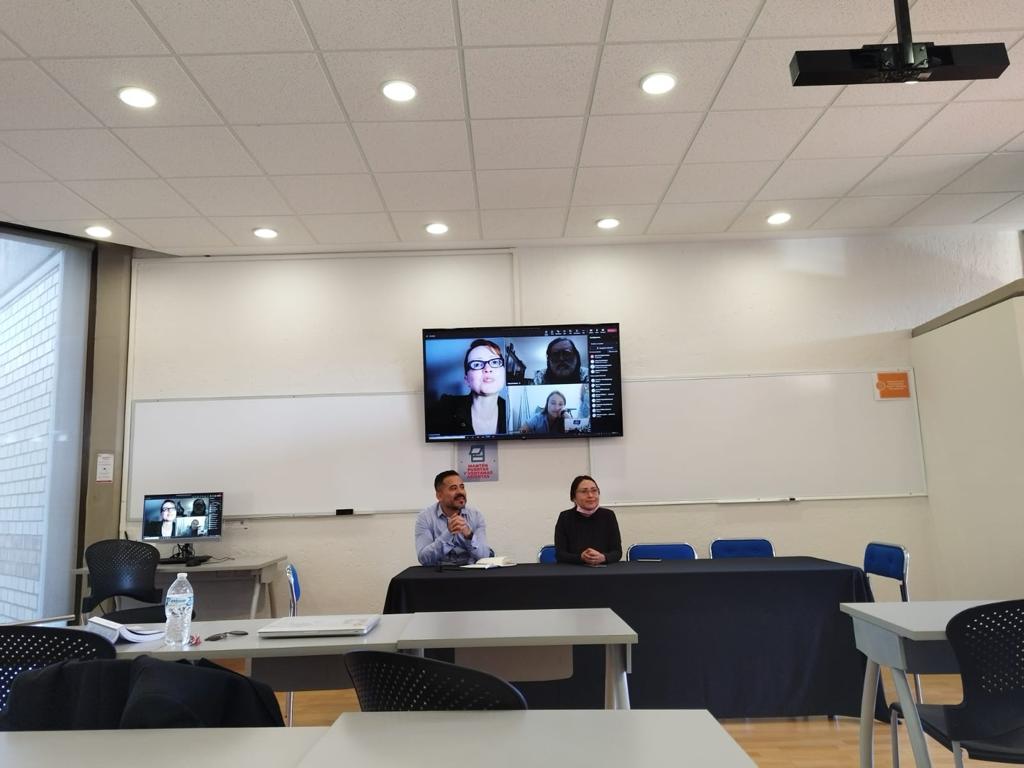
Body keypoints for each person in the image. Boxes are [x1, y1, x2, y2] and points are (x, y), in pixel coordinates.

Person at [427, 339, 508, 436]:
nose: (487, 369)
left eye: (495, 362)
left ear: (504, 372)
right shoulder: (445, 408)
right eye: (477, 364)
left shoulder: (511, 411)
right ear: (467, 379)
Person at [415, 470, 490, 566]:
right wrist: (448, 534)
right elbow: (424, 559)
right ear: (439, 496)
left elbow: (484, 556)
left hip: (470, 570)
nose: (460, 492)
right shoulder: (425, 518)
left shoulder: (476, 515)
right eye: (453, 488)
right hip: (439, 572)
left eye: (462, 487)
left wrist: (469, 536)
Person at [553, 475, 621, 565]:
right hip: (574, 569)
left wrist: (604, 557)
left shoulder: (608, 516)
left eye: (594, 490)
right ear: (573, 497)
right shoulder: (565, 517)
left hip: (604, 569)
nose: (590, 495)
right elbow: (560, 555)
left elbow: (617, 552)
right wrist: (581, 557)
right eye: (584, 491)